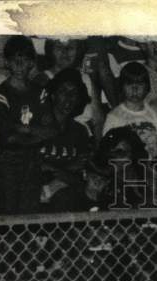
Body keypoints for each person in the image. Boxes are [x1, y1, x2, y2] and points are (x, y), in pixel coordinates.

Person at [0, 35, 58, 215]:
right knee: (10, 214)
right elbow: (7, 136)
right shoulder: (1, 94)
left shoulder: (39, 91)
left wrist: (22, 128)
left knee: (30, 212)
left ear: (31, 63)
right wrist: (36, 134)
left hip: (33, 160)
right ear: (7, 62)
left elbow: (51, 130)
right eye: (14, 60)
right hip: (8, 161)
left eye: (25, 60)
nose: (19, 65)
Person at [39, 68, 95, 211]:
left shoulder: (80, 131)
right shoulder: (37, 126)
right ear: (53, 95)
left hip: (65, 192)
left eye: (74, 93)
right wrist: (67, 168)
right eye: (63, 91)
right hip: (35, 190)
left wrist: (53, 170)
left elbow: (81, 175)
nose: (69, 97)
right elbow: (32, 167)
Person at [102, 61, 157, 162]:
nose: (135, 89)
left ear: (147, 87)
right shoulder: (114, 117)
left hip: (153, 167)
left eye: (140, 84)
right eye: (129, 84)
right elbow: (108, 151)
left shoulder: (155, 113)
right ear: (121, 87)